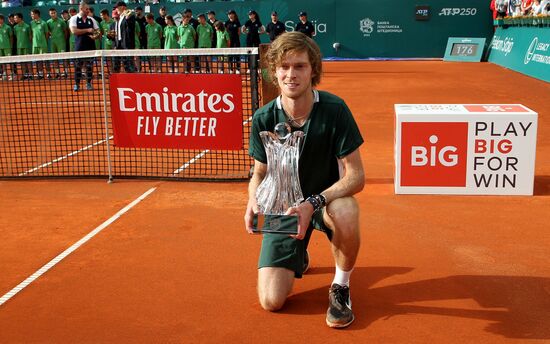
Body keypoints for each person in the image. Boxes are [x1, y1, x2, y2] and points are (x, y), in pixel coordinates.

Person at [244, 32, 364, 329]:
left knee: (347, 211)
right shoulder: (263, 117)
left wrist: (313, 203)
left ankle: (341, 286)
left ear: (313, 70)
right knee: (271, 301)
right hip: (284, 212)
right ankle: (300, 254)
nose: (291, 74)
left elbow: (356, 176)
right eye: (284, 67)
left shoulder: (335, 110)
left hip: (324, 203)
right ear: (275, 71)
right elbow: (259, 171)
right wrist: (252, 199)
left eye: (299, 66)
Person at [69, 1, 99, 91]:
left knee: (89, 66)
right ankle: (77, 84)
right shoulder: (74, 19)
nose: (88, 10)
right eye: (86, 9)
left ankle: (89, 83)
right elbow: (74, 31)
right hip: (79, 47)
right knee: (78, 66)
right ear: (81, 9)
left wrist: (96, 36)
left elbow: (98, 31)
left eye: (88, 9)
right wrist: (88, 30)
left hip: (90, 46)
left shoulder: (91, 19)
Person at [113, 1, 135, 73]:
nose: (116, 9)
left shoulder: (130, 16)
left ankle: (131, 79)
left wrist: (127, 18)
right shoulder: (119, 18)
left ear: (122, 7)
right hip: (119, 44)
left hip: (127, 45)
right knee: (118, 63)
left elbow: (131, 28)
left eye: (117, 8)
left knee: (129, 64)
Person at [47, 8, 68, 78]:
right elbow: (48, 32)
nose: (53, 14)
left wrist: (63, 40)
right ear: (49, 14)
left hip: (61, 42)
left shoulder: (61, 21)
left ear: (56, 13)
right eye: (51, 13)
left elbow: (65, 32)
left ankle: (65, 72)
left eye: (54, 13)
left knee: (64, 57)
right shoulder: (48, 22)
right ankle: (57, 73)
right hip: (53, 43)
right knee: (55, 58)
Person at [30, 8, 49, 79]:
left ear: (37, 14)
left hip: (43, 45)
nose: (31, 15)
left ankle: (48, 73)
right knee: (38, 60)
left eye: (32, 14)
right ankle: (40, 74)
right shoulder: (31, 23)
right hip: (35, 45)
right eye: (31, 14)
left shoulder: (43, 23)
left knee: (45, 60)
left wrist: (44, 42)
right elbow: (31, 34)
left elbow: (47, 34)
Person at [13, 12, 31, 80]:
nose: (15, 19)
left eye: (16, 18)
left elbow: (30, 37)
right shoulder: (15, 27)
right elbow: (16, 36)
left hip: (26, 46)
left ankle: (30, 74)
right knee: (22, 62)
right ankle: (25, 74)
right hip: (19, 47)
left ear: (20, 18)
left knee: (28, 61)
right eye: (14, 18)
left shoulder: (27, 26)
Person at [225, 9, 241, 73]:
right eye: (228, 14)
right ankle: (230, 69)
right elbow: (225, 32)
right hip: (229, 41)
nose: (229, 15)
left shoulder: (237, 22)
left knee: (237, 55)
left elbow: (239, 32)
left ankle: (238, 68)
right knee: (230, 55)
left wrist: (236, 38)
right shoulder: (227, 22)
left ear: (233, 14)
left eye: (231, 14)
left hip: (236, 41)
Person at [0, 14, 13, 80]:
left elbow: (11, 37)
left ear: (2, 19)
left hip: (7, 47)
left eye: (0, 19)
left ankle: (12, 74)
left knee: (9, 61)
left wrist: (10, 46)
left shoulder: (8, 27)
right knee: (2, 62)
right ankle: (4, 74)